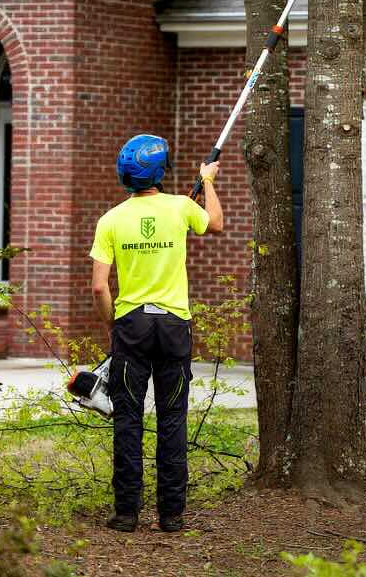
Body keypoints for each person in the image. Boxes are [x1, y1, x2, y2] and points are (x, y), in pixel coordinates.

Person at [88, 134, 223, 533]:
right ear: (160, 172)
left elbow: (99, 287)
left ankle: (127, 513)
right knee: (172, 419)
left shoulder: (110, 220)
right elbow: (215, 223)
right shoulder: (181, 207)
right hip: (173, 326)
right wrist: (208, 180)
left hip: (132, 327)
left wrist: (114, 325)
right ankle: (171, 515)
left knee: (127, 419)